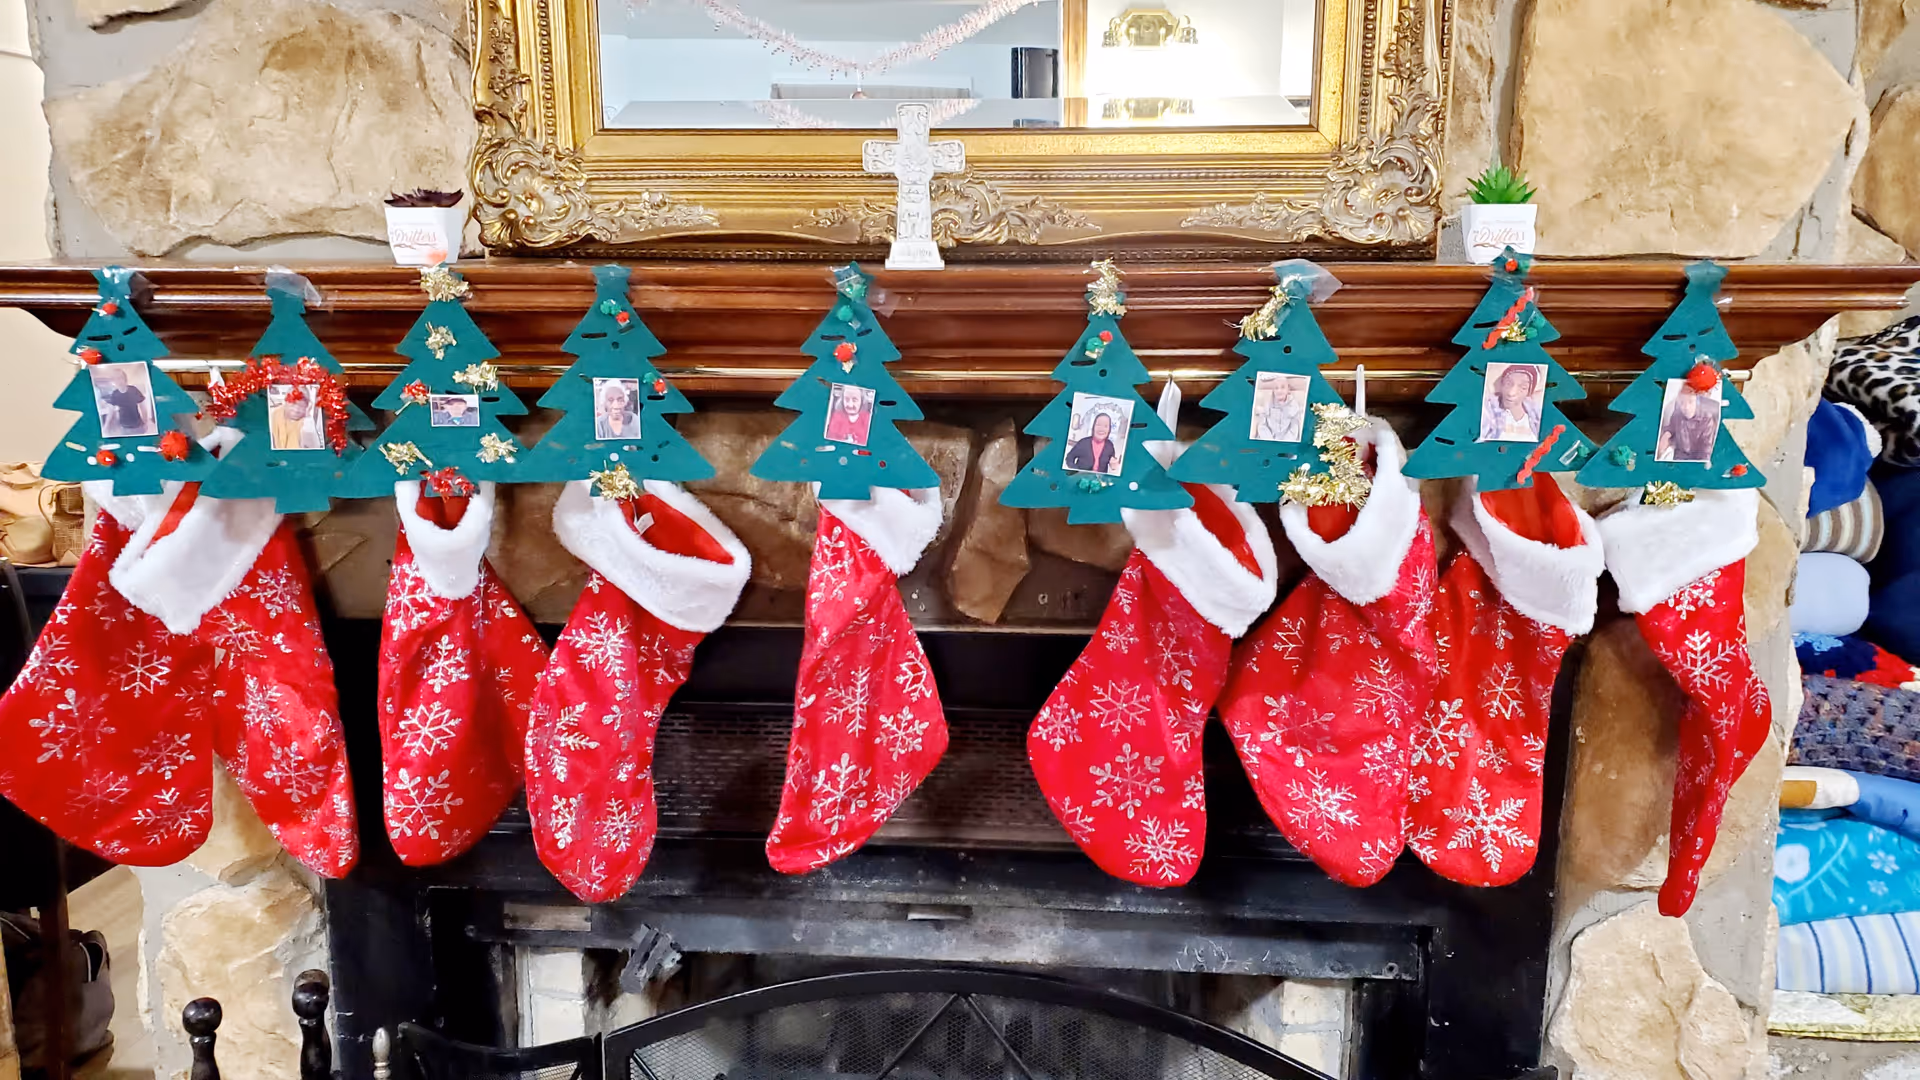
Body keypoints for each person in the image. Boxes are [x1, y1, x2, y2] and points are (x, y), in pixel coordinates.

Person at [1658, 383, 1721, 463]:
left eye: (1690, 402)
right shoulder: (1677, 413)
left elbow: (1706, 449)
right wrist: (1666, 434)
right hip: (1678, 459)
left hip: (1696, 460)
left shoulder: (1707, 419)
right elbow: (1672, 427)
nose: (1686, 407)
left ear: (1696, 402)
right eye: (1682, 403)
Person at [1480, 364, 1542, 442]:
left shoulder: (1536, 414)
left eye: (1523, 387)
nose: (1511, 393)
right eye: (1508, 383)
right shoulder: (1489, 408)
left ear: (1529, 392)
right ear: (1502, 384)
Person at [95, 366, 152, 437]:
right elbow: (111, 411)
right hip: (124, 426)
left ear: (125, 379)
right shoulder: (115, 393)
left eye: (120, 378)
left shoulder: (133, 390)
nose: (118, 381)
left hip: (138, 425)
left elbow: (142, 407)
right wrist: (106, 426)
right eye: (115, 379)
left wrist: (146, 422)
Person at [1065, 409, 1122, 475]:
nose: (1101, 429)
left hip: (1099, 480)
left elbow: (1112, 462)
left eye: (1106, 426)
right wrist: (1076, 471)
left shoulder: (1110, 445)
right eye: (1098, 425)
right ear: (1093, 427)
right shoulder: (1083, 443)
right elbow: (1069, 458)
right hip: (1081, 477)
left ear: (1109, 429)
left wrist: (1114, 465)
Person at [1255, 378, 1305, 442]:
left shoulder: (1293, 405)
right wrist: (1269, 440)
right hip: (1268, 439)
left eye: (1282, 387)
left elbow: (1294, 427)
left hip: (1287, 441)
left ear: (1288, 389)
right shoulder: (1268, 404)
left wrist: (1284, 443)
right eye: (1276, 388)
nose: (1279, 391)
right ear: (1273, 391)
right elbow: (1262, 425)